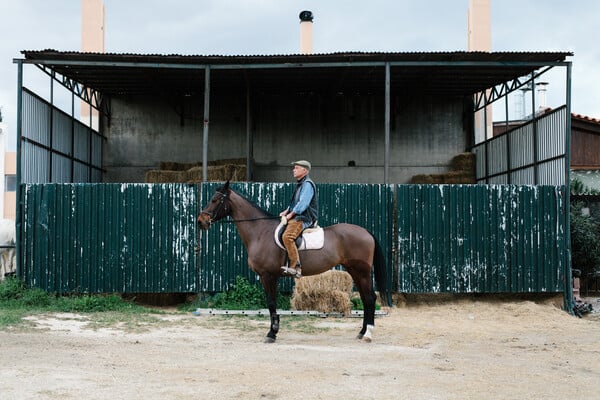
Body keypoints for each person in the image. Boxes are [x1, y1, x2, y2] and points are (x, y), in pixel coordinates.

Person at [280, 160, 318, 278]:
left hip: (304, 218)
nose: (293, 170)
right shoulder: (300, 184)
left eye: (296, 168)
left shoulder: (307, 184)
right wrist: (286, 211)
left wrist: (290, 215)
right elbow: (294, 203)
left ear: (304, 170)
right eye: (294, 168)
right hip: (298, 216)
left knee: (287, 237)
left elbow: (303, 204)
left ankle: (295, 267)